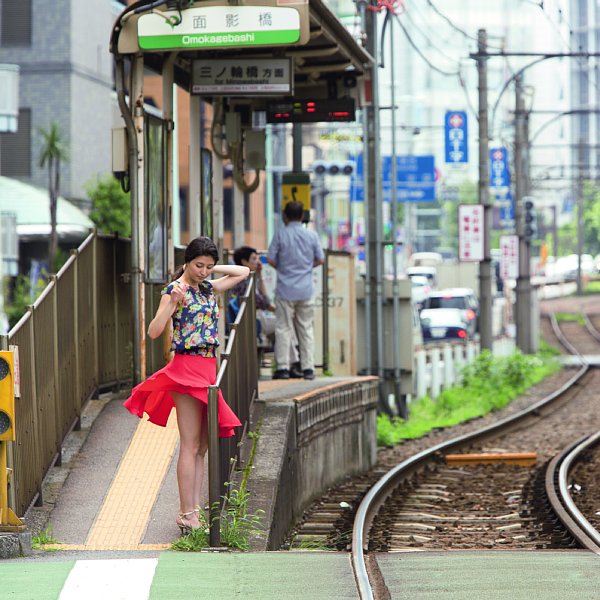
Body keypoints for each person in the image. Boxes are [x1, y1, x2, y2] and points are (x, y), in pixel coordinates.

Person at [123, 236, 249, 534]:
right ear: (186, 262)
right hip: (186, 367)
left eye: (209, 266)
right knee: (190, 444)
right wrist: (174, 302)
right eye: (199, 265)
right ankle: (185, 512)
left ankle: (194, 510)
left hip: (208, 368)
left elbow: (243, 273)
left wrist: (211, 269)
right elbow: (154, 331)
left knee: (203, 446)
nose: (205, 271)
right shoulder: (173, 290)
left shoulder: (206, 286)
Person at [267, 201, 324, 380]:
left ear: (285, 216)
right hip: (306, 289)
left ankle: (283, 368)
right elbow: (320, 259)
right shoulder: (312, 235)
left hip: (285, 289)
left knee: (283, 328)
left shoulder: (280, 234)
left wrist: (284, 269)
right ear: (302, 216)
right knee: (306, 329)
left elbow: (270, 259)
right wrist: (306, 267)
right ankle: (308, 369)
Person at [231, 246, 303, 377]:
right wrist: (280, 311)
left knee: (282, 326)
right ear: (244, 262)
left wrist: (260, 275)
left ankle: (288, 365)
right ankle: (291, 364)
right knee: (284, 324)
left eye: (258, 258)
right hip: (251, 320)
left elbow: (265, 300)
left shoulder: (250, 278)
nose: (258, 262)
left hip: (257, 318)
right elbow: (265, 303)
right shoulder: (242, 282)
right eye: (254, 259)